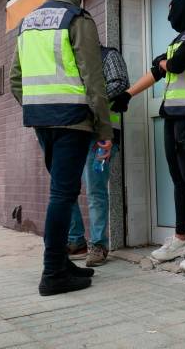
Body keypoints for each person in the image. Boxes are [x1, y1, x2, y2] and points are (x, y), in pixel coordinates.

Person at [10, 0, 113, 296]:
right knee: (62, 194)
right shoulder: (77, 19)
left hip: (42, 120)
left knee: (62, 191)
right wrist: (104, 129)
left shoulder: (28, 22)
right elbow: (93, 78)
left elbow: (15, 79)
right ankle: (53, 272)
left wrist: (38, 106)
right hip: (72, 120)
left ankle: (62, 263)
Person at [112, 0, 185, 272]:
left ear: (184, 10)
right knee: (179, 179)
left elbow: (175, 65)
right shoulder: (177, 40)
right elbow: (157, 71)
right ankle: (181, 239)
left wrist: (164, 63)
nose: (170, 17)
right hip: (173, 115)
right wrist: (127, 94)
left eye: (172, 11)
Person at [67, 47, 126, 267]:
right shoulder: (69, 59)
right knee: (66, 189)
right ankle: (75, 241)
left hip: (101, 137)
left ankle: (99, 245)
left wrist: (88, 99)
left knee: (95, 191)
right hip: (74, 134)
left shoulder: (107, 55)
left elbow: (119, 83)